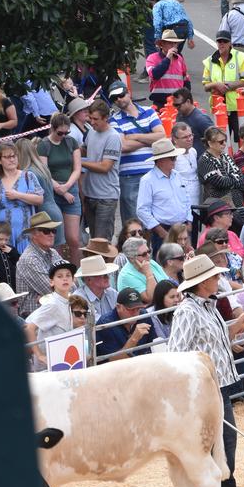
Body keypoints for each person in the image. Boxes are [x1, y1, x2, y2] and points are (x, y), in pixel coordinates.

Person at [166, 255, 244, 487]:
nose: (219, 279)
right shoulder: (186, 312)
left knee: (207, 443)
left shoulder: (210, 306)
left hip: (220, 384)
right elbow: (177, 352)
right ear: (202, 281)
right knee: (223, 441)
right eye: (215, 276)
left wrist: (238, 326)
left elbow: (215, 342)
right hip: (203, 390)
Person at [108, 80, 165, 223]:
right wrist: (148, 138)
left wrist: (135, 136)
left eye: (121, 95)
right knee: (133, 220)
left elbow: (161, 136)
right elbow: (123, 146)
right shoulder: (114, 120)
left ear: (128, 93)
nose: (118, 99)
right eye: (114, 98)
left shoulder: (149, 111)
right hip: (129, 176)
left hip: (152, 171)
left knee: (155, 217)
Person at [0, 143, 45, 254]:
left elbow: (40, 199)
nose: (12, 159)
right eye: (7, 157)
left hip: (24, 233)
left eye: (14, 156)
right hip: (2, 235)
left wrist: (18, 195)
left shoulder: (28, 176)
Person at [24, 261, 80, 370]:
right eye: (59, 276)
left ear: (73, 280)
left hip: (62, 359)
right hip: (49, 366)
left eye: (68, 275)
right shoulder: (52, 305)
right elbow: (29, 328)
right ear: (52, 282)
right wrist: (39, 355)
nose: (65, 279)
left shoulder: (68, 300)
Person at [136, 138, 191, 250]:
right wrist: (161, 232)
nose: (175, 160)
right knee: (165, 264)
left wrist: (189, 222)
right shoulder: (147, 180)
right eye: (172, 157)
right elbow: (142, 210)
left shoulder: (177, 175)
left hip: (182, 229)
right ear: (160, 160)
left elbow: (186, 199)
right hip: (164, 231)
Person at [15, 213, 64, 318]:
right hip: (35, 318)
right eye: (46, 231)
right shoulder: (29, 259)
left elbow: (70, 282)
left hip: (51, 312)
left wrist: (47, 296)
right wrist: (58, 289)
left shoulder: (53, 252)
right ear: (34, 235)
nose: (52, 234)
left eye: (53, 230)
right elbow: (53, 289)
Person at [95, 287, 159, 362]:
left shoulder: (143, 315)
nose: (135, 313)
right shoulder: (105, 324)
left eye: (138, 309)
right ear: (118, 307)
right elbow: (112, 361)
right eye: (131, 309)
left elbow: (154, 344)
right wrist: (134, 339)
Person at [73, 253, 119, 320]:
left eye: (107, 274)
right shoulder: (78, 299)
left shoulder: (111, 292)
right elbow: (96, 323)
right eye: (103, 275)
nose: (107, 277)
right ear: (89, 280)